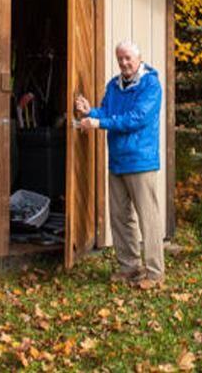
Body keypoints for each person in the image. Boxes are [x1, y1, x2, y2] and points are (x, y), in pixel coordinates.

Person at [74, 40, 164, 289]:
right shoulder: (114, 86)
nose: (124, 63)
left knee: (148, 218)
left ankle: (155, 274)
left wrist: (99, 124)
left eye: (128, 59)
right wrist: (90, 111)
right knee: (120, 217)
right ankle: (130, 268)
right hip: (117, 160)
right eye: (120, 59)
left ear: (138, 59)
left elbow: (136, 119)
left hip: (141, 161)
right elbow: (107, 112)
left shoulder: (150, 85)